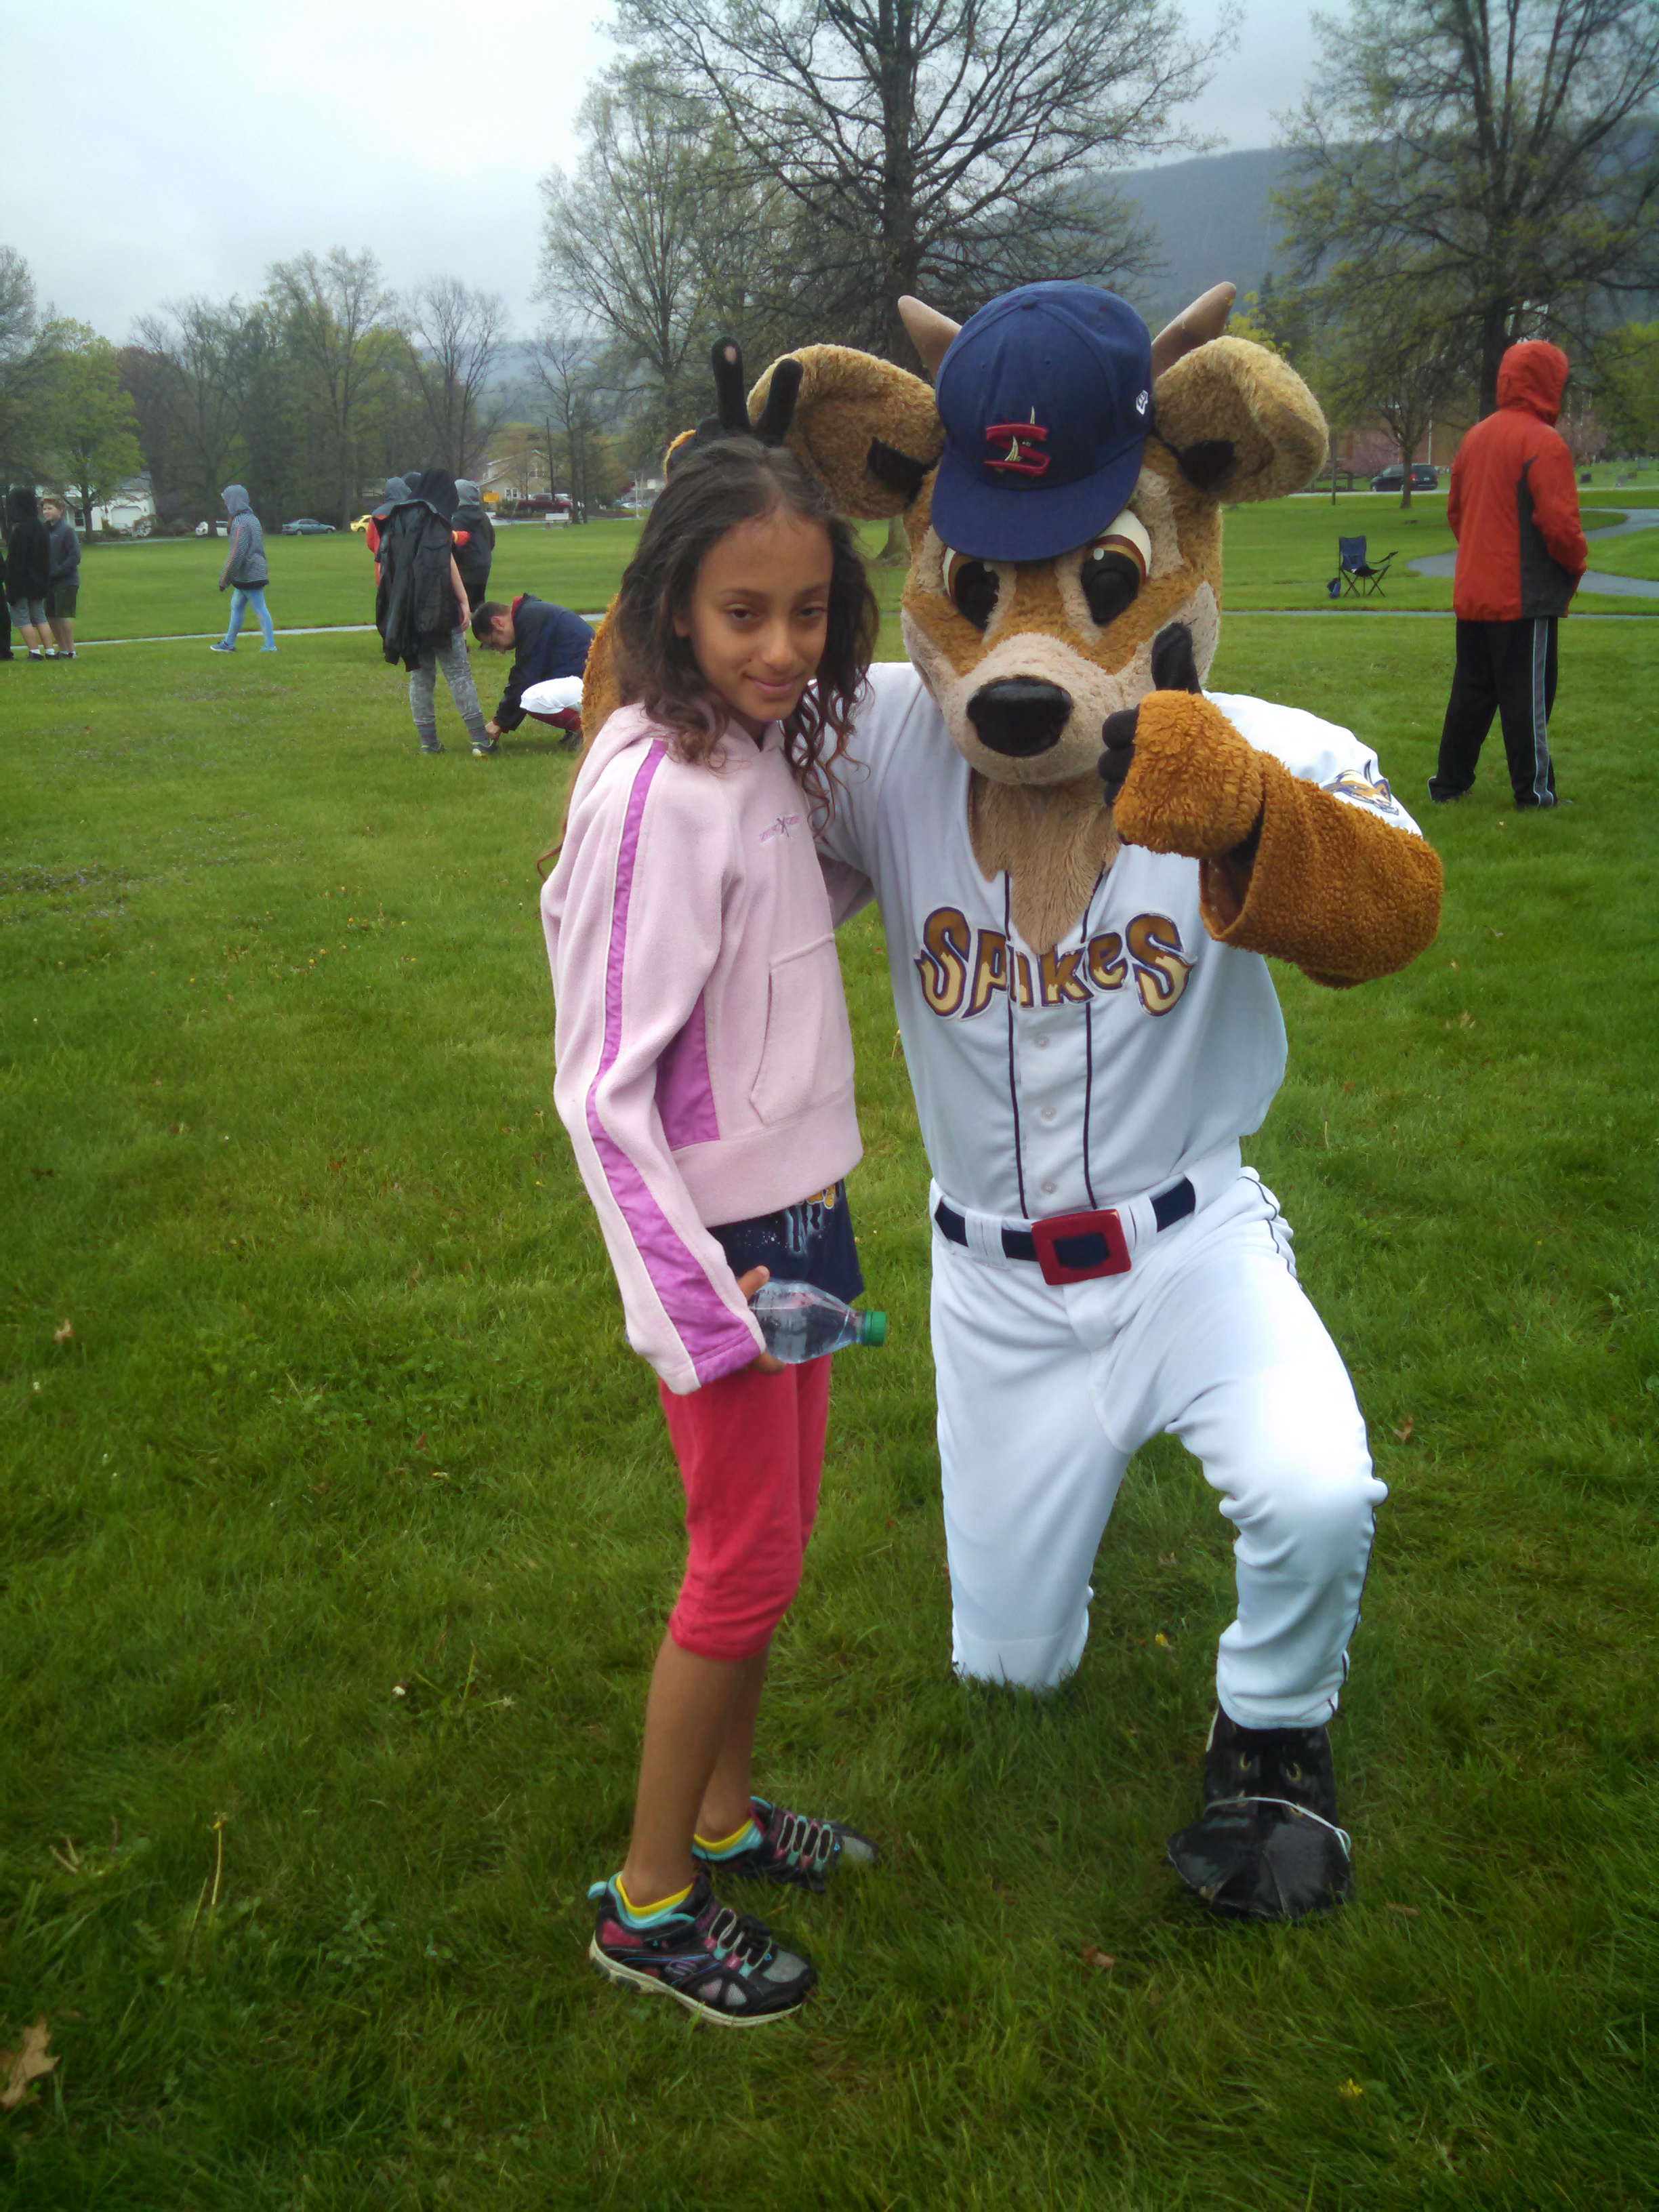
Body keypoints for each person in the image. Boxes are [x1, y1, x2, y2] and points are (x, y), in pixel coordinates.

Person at [541, 435, 881, 2026]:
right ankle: (650, 1903)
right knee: (736, 1565)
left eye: (808, 612)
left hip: (798, 1215)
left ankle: (728, 1821)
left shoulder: (749, 755)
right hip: (720, 1253)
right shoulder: (656, 790)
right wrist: (692, 1304)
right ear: (673, 604)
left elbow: (775, 927)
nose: (782, 646)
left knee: (777, 1549)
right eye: (745, 613)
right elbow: (601, 1089)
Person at [1429, 340, 1587, 811]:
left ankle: (1449, 785)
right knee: (1528, 699)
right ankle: (1535, 794)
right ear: (1549, 382)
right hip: (1521, 594)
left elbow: (1457, 512)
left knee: (1471, 695)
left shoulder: (1475, 438)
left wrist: (1481, 553)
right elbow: (1559, 524)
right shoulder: (1542, 441)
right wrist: (1575, 563)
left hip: (1474, 590)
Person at [375, 467, 487, 754]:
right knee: (459, 673)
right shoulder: (434, 519)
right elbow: (443, 563)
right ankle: (480, 740)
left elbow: (386, 567)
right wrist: (462, 601)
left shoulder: (396, 517)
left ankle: (428, 744)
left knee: (421, 676)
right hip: (437, 609)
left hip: (405, 610)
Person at [471, 594, 593, 747]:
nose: (501, 651)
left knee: (532, 699)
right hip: (594, 682)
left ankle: (590, 730)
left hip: (597, 688)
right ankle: (581, 729)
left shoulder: (531, 619)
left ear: (498, 623)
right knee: (538, 688)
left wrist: (499, 722)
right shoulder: (530, 615)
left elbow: (525, 677)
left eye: (495, 643)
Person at [210, 485, 275, 653]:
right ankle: (228, 643)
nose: (226, 505)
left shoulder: (240, 523)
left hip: (249, 573)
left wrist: (224, 580)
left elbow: (237, 554)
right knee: (236, 605)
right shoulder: (252, 519)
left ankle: (270, 646)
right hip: (254, 570)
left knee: (260, 608)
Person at [5, 487, 52, 659]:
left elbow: (16, 562)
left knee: (22, 617)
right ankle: (50, 650)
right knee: (40, 617)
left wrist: (11, 588)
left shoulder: (20, 531)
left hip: (22, 583)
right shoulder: (41, 527)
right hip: (39, 580)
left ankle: (34, 651)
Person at [41, 495, 79, 659]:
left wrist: (57, 570)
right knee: (51, 616)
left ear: (61, 510)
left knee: (62, 615)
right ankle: (62, 650)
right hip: (49, 582)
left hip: (66, 581)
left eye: (50, 508)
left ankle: (71, 651)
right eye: (44, 509)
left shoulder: (67, 530)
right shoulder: (44, 530)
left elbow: (75, 557)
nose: (46, 512)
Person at [451, 478, 494, 609]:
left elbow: (454, 545)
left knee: (460, 607)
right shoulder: (484, 517)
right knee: (478, 606)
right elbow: (491, 541)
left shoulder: (457, 518)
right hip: (483, 567)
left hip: (464, 569)